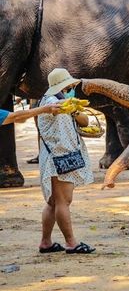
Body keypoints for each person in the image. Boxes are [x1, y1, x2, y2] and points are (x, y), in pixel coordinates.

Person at [37, 68, 95, 254]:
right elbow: (62, 131)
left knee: (53, 201)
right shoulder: (53, 104)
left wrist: (75, 109)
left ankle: (46, 242)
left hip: (58, 158)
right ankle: (71, 243)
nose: (71, 89)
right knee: (63, 201)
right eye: (68, 86)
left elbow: (85, 121)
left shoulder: (63, 103)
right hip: (60, 158)